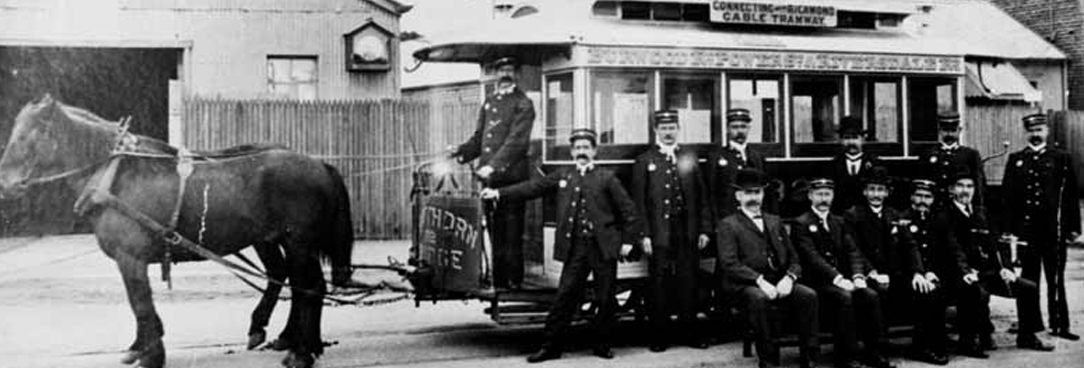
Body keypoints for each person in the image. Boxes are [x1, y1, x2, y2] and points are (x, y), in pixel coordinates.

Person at [480, 128, 643, 363]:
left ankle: (603, 345)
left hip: (603, 247)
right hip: (575, 248)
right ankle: (551, 348)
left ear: (594, 151)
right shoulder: (564, 175)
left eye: (586, 148)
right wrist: (498, 193)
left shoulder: (606, 178)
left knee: (605, 298)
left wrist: (627, 242)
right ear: (572, 152)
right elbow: (533, 188)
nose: (581, 152)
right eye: (577, 148)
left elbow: (629, 211)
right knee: (564, 296)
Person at [943, 166, 1054, 356]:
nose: (965, 191)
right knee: (979, 292)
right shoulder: (945, 215)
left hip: (988, 273)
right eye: (960, 186)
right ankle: (973, 338)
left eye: (970, 186)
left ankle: (1027, 336)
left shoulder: (982, 213)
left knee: (1028, 288)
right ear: (951, 189)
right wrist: (966, 271)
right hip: (960, 274)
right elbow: (953, 249)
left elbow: (999, 244)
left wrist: (1006, 268)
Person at [717, 168, 819, 368]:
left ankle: (809, 357)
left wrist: (789, 278)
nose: (753, 198)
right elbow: (729, 264)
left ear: (763, 194)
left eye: (757, 192)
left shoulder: (774, 221)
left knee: (808, 296)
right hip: (744, 285)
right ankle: (768, 360)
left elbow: (794, 258)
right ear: (738, 196)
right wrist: (760, 281)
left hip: (778, 280)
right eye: (748, 193)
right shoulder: (728, 224)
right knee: (759, 299)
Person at [449, 56, 535, 289]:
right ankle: (499, 281)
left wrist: (493, 166)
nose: (505, 74)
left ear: (517, 74)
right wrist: (461, 151)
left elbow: (516, 142)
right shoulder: (490, 102)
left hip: (512, 180)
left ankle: (514, 282)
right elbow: (480, 138)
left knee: (512, 232)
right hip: (490, 180)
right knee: (495, 230)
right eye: (501, 70)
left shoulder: (523, 103)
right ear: (496, 74)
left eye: (509, 70)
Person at [631, 110, 712, 351]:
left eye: (672, 127)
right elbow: (639, 203)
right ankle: (660, 336)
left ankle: (690, 333)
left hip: (687, 230)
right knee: (659, 282)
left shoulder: (688, 158)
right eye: (663, 128)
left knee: (689, 280)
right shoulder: (645, 160)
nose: (668, 132)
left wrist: (704, 229)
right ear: (656, 130)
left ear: (678, 129)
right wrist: (644, 235)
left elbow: (701, 196)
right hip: (659, 231)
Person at [792, 178, 893, 368]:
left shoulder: (839, 221)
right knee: (844, 297)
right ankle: (847, 356)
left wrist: (858, 276)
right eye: (819, 194)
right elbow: (812, 257)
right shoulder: (801, 223)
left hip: (844, 279)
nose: (824, 199)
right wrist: (837, 278)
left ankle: (874, 352)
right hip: (817, 281)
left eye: (827, 194)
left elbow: (853, 250)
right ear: (810, 196)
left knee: (870, 295)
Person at [1000, 113, 1081, 340]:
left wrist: (1073, 227)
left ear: (1047, 131)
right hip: (1026, 232)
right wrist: (1007, 228)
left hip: (1054, 230)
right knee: (1028, 280)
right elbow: (1008, 197)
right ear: (1025, 132)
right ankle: (1028, 326)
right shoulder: (1017, 159)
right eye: (1031, 131)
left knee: (1055, 279)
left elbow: (1071, 195)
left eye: (1039, 130)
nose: (1035, 134)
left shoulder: (1061, 158)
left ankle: (1060, 326)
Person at [842, 166, 908, 323]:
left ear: (887, 193)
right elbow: (854, 249)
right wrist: (872, 272)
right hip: (866, 272)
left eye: (880, 190)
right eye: (871, 189)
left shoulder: (894, 215)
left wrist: (916, 272)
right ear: (864, 192)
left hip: (891, 272)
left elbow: (908, 245)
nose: (876, 195)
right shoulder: (853, 215)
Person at [898, 179, 952, 365]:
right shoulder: (902, 219)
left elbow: (947, 249)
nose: (922, 200)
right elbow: (905, 250)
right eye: (919, 195)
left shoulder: (938, 219)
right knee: (928, 292)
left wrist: (931, 272)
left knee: (939, 289)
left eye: (927, 197)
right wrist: (918, 272)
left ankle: (937, 343)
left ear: (933, 199)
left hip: (929, 273)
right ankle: (921, 347)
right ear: (911, 197)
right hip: (905, 273)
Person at [707, 108, 768, 219]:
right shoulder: (716, 157)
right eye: (734, 127)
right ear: (727, 129)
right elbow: (710, 194)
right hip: (727, 218)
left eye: (743, 127)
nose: (739, 131)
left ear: (748, 129)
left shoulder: (757, 157)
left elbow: (767, 192)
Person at [919, 112, 985, 209]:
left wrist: (978, 209)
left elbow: (979, 185)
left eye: (953, 130)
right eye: (945, 130)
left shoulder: (970, 155)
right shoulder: (928, 154)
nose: (949, 134)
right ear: (939, 131)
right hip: (935, 207)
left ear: (960, 130)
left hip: (960, 207)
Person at [826, 116, 880, 214]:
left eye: (855, 138)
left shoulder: (876, 164)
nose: (851, 142)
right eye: (846, 138)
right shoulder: (832, 166)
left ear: (863, 139)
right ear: (840, 140)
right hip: (840, 216)